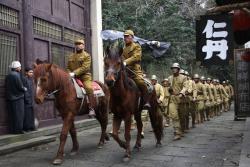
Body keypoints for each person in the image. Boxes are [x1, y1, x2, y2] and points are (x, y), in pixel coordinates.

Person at [121, 30, 151, 109]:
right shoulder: (123, 48)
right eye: (125, 36)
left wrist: (125, 62)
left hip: (134, 70)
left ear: (132, 37)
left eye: (127, 36)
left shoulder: (136, 46)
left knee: (140, 82)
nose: (125, 38)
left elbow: (136, 57)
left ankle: (146, 101)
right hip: (125, 71)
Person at [67, 39, 96, 118]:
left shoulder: (87, 55)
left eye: (80, 44)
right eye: (76, 44)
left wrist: (74, 73)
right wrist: (69, 73)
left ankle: (91, 108)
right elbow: (68, 67)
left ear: (83, 46)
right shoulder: (71, 56)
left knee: (88, 88)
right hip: (72, 77)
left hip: (84, 77)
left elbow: (85, 68)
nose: (78, 45)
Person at [5, 61, 27, 134]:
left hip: (10, 98)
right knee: (19, 115)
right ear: (17, 68)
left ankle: (12, 130)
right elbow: (20, 87)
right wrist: (25, 89)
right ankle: (18, 130)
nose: (20, 68)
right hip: (18, 98)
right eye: (20, 67)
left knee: (12, 115)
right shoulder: (17, 75)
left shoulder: (8, 76)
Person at [167, 63, 187, 140]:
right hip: (172, 98)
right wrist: (169, 89)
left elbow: (185, 86)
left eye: (175, 68)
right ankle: (177, 132)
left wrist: (182, 93)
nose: (173, 69)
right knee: (174, 116)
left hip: (181, 99)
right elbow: (169, 87)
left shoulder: (184, 77)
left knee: (182, 116)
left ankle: (181, 129)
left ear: (178, 69)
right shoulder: (169, 78)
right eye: (172, 68)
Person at [22, 67, 35, 131]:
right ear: (26, 72)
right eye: (30, 72)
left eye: (32, 72)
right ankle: (27, 128)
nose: (32, 73)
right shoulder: (24, 79)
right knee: (27, 114)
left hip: (31, 99)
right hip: (27, 100)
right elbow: (25, 90)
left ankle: (31, 127)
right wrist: (27, 99)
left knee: (31, 114)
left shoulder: (31, 79)